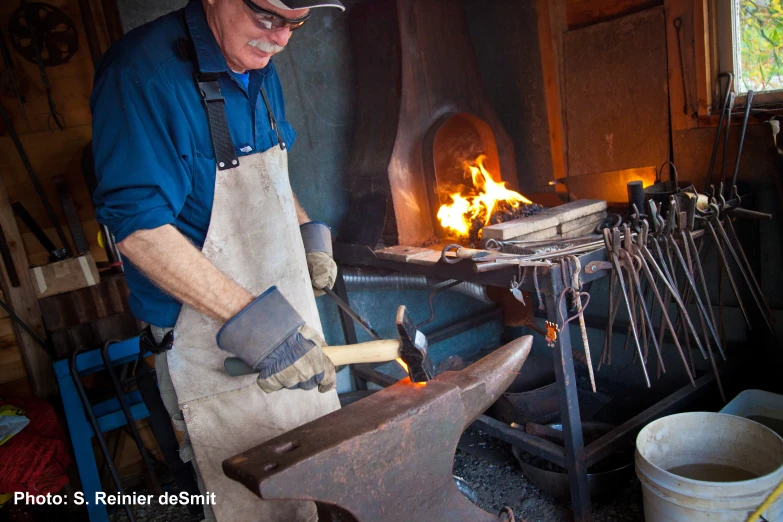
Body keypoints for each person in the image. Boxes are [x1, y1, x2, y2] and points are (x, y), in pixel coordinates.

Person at [90, 0, 345, 520]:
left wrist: (308, 234)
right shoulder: (141, 76)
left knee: (312, 492)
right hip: (207, 349)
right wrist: (257, 327)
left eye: (296, 24)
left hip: (282, 326)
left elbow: (271, 172)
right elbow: (136, 230)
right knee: (246, 504)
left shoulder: (257, 64)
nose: (279, 40)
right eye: (268, 18)